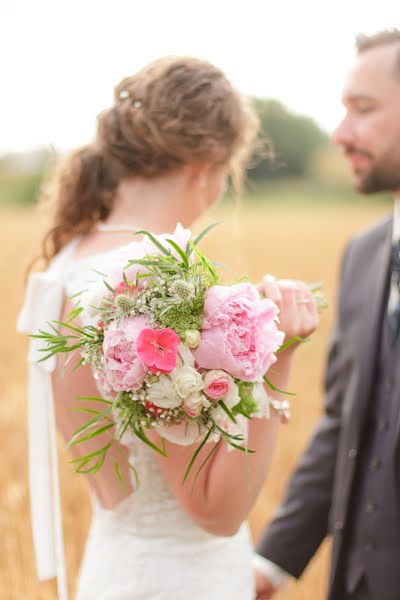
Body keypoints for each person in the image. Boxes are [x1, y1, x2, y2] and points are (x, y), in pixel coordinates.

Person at [17, 57, 319, 600]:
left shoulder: (65, 267)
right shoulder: (150, 280)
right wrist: (280, 362)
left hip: (113, 571)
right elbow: (214, 511)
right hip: (183, 580)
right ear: (206, 164)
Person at [254, 29, 400, 600]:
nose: (341, 134)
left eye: (362, 110)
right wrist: (271, 563)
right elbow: (345, 423)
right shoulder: (364, 255)